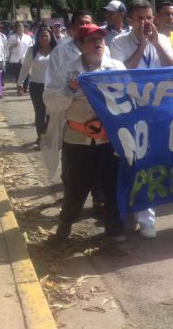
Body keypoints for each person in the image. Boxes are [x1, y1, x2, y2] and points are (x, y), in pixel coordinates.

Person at [43, 24, 127, 255]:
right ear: (80, 45)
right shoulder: (68, 71)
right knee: (76, 188)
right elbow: (50, 102)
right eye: (91, 40)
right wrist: (71, 88)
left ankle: (115, 237)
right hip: (77, 141)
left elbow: (129, 100)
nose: (98, 43)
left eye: (101, 38)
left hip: (109, 142)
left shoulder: (116, 68)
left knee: (113, 188)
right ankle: (64, 228)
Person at [110, 0, 173, 238]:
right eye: (140, 18)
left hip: (157, 112)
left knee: (151, 164)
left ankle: (146, 217)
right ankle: (127, 212)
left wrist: (155, 44)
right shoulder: (119, 43)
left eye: (149, 18)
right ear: (130, 20)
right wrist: (140, 45)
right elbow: (121, 72)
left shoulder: (161, 39)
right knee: (130, 163)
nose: (145, 23)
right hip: (129, 113)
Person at [18, 26, 57, 145]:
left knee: (52, 113)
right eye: (41, 36)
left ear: (51, 37)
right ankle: (41, 138)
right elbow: (25, 67)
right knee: (40, 113)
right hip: (36, 86)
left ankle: (50, 136)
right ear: (37, 37)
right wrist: (20, 83)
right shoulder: (32, 51)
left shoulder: (57, 50)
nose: (44, 38)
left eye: (46, 36)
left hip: (53, 87)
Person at [7, 22, 34, 93]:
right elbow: (8, 47)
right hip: (16, 59)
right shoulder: (12, 37)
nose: (20, 29)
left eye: (22, 28)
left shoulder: (28, 37)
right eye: (19, 28)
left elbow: (31, 47)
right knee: (18, 74)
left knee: (27, 73)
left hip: (26, 57)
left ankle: (25, 87)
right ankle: (19, 87)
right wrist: (13, 45)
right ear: (16, 29)